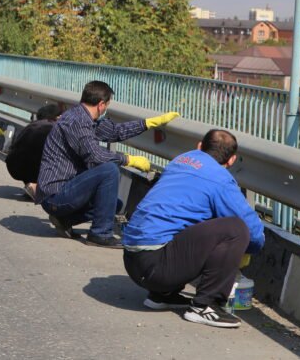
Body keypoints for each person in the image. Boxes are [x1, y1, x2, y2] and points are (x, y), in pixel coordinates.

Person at [121, 129, 265, 329]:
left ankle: (162, 295)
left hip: (132, 260)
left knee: (192, 217)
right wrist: (248, 248)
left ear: (199, 146)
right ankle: (205, 306)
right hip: (158, 267)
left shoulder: (182, 160)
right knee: (236, 228)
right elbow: (253, 231)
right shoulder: (220, 179)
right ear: (231, 160)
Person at [37, 80, 179, 248]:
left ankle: (64, 218)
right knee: (109, 169)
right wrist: (129, 159)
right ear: (101, 104)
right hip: (55, 195)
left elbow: (115, 132)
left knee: (113, 204)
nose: (106, 109)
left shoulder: (84, 118)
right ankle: (100, 234)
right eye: (107, 105)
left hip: (64, 191)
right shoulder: (76, 122)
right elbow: (96, 156)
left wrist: (148, 123)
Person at [6, 104, 64, 201]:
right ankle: (38, 187)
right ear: (57, 117)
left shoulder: (30, 126)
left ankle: (32, 185)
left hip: (14, 167)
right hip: (33, 168)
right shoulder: (54, 128)